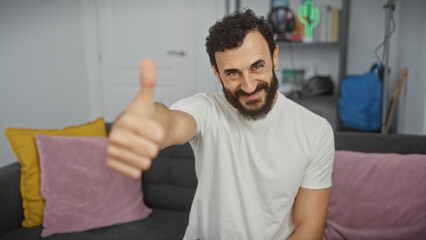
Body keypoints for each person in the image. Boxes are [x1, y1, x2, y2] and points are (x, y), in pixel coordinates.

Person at [106, 9, 334, 240]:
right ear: (216, 73)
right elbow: (172, 124)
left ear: (275, 57)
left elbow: (309, 228)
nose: (248, 86)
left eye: (257, 66)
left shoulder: (315, 130)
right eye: (233, 73)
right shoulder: (207, 109)